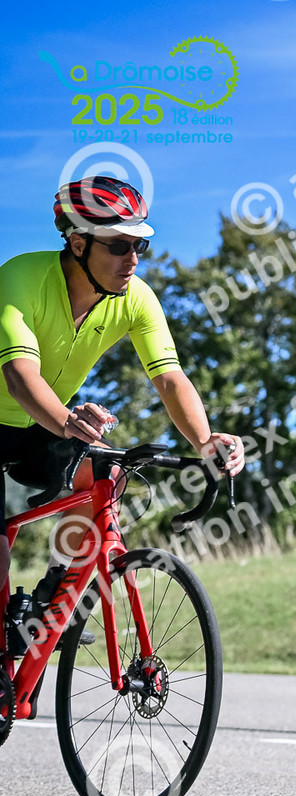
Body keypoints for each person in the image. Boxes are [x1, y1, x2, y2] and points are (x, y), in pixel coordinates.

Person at [0, 176, 246, 618]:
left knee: (105, 473)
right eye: (118, 246)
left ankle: (54, 593)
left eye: (139, 246)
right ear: (78, 244)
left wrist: (204, 440)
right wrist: (67, 420)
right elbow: (19, 375)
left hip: (40, 425)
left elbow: (170, 378)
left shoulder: (136, 298)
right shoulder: (20, 276)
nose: (132, 259)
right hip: (36, 416)